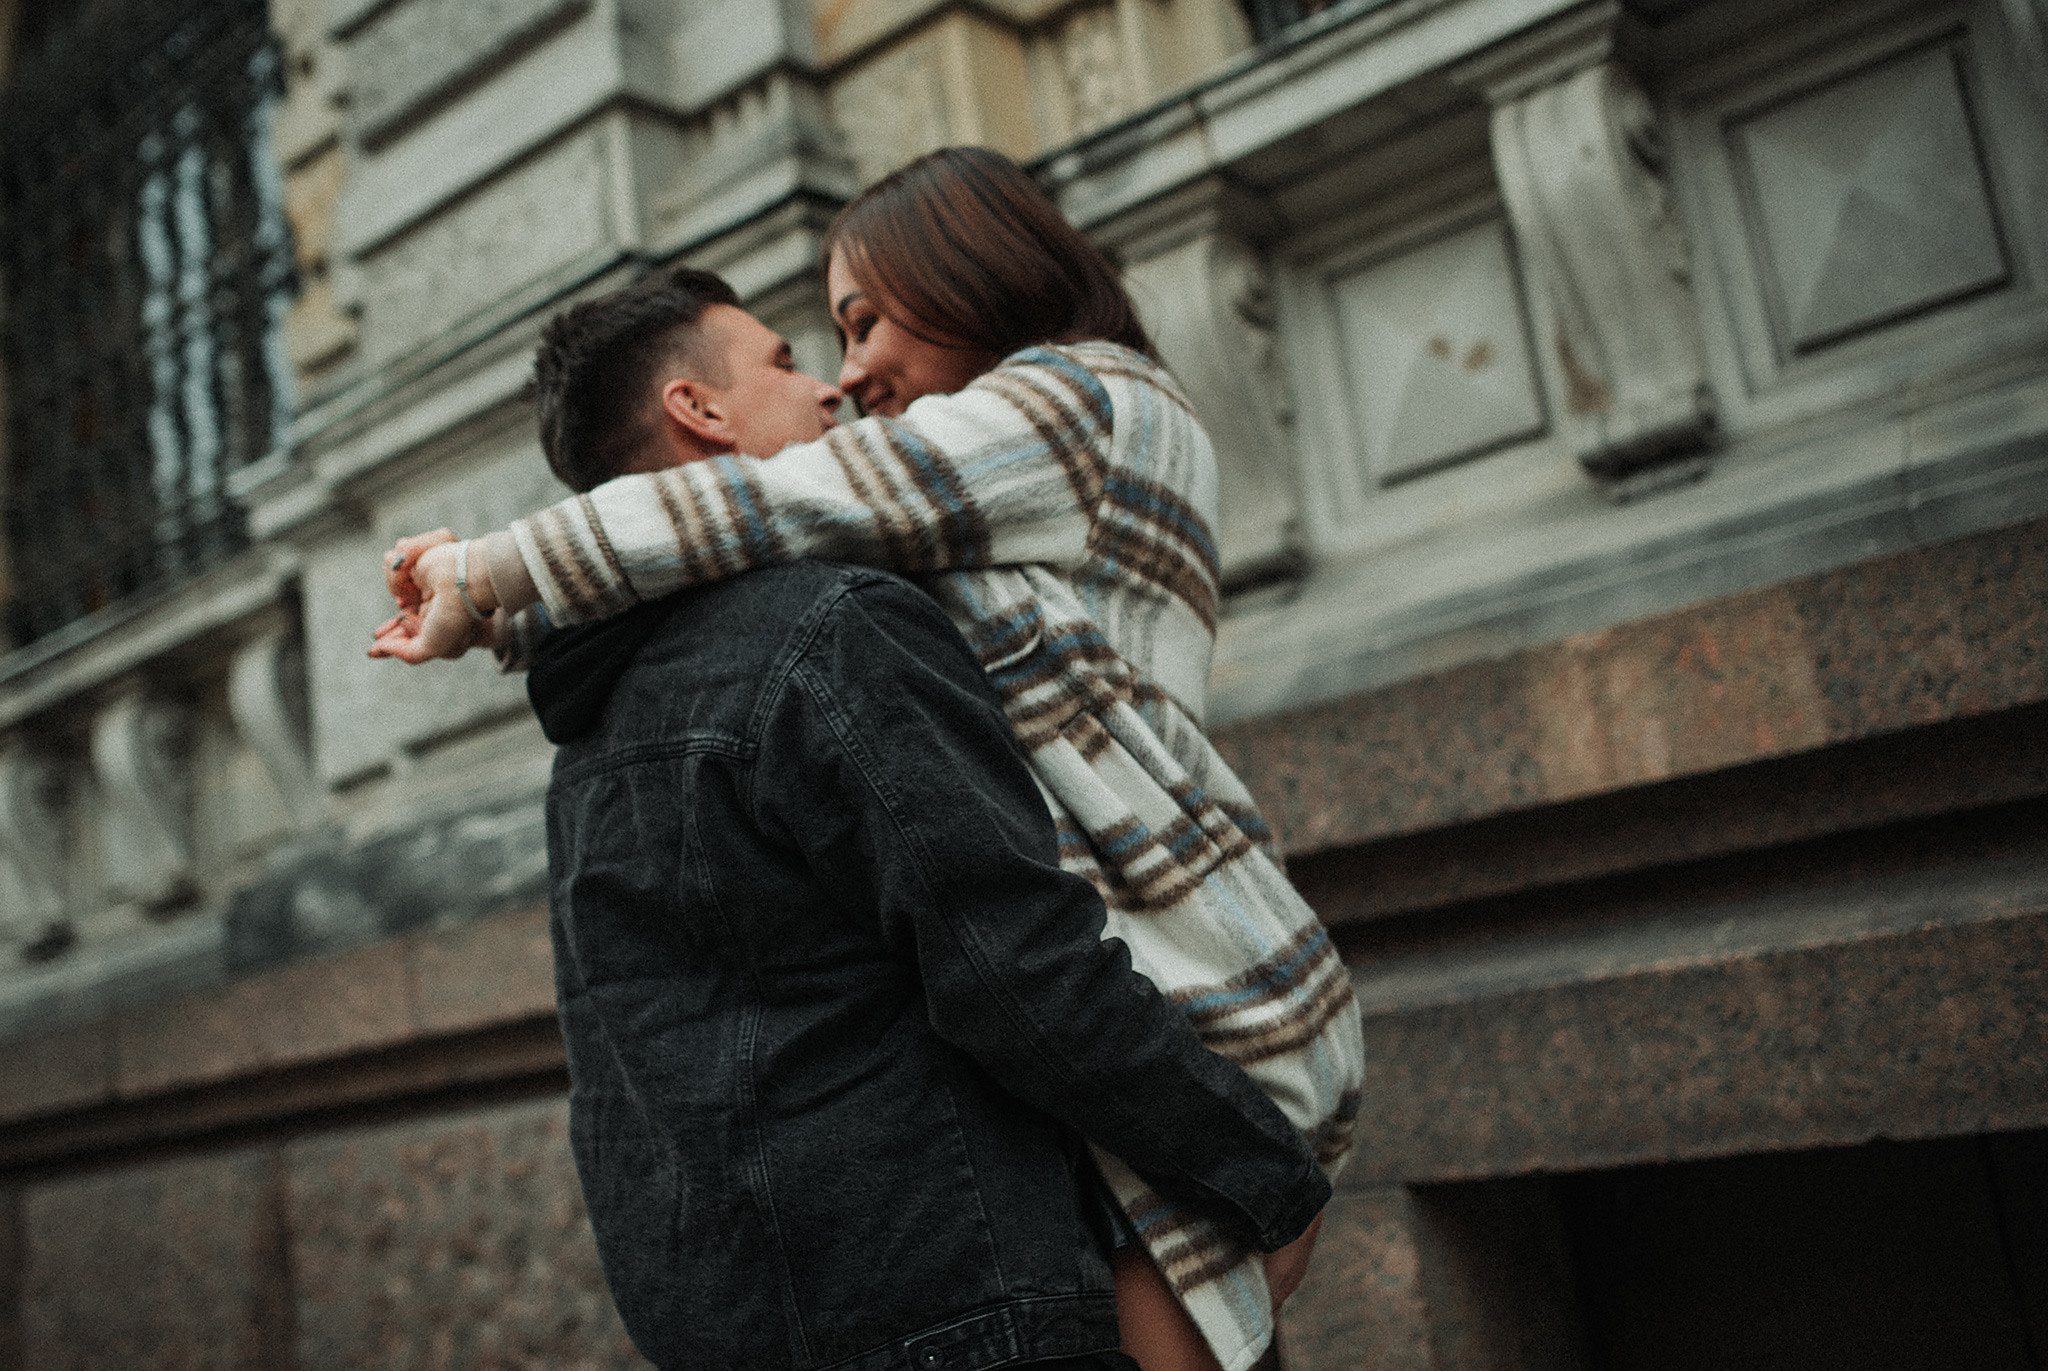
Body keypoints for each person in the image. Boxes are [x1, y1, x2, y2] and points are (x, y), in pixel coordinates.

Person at [373, 148, 1364, 1371]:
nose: (842, 380)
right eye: (813, 346)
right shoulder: (823, 621)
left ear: (968, 277)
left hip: (1197, 993)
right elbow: (1008, 959)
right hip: (1118, 1072)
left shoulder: (1083, 401)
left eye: (861, 323)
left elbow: (794, 504)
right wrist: (498, 598)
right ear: (697, 412)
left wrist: (501, 584)